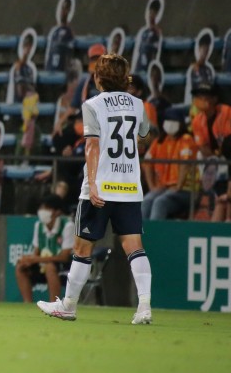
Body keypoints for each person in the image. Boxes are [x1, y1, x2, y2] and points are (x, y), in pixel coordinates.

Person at [37, 54, 154, 325]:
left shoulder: (92, 104)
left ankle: (68, 306)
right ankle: (145, 307)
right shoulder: (138, 104)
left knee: (82, 247)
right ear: (125, 78)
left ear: (98, 78)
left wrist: (92, 184)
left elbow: (91, 146)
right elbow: (145, 136)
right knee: (134, 246)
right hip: (128, 187)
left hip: (100, 188)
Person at [190, 84, 231, 222]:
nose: (200, 99)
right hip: (213, 157)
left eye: (204, 96)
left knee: (224, 168)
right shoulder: (197, 120)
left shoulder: (226, 111)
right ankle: (215, 188)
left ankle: (222, 193)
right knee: (200, 156)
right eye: (198, 96)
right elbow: (202, 147)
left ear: (214, 99)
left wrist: (218, 156)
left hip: (230, 155)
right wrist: (214, 156)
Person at [14, 194, 74, 303]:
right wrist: (29, 260)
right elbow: (37, 251)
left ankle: (53, 303)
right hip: (43, 264)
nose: (42, 211)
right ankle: (27, 303)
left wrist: (36, 259)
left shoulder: (67, 226)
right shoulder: (39, 226)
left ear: (57, 212)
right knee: (21, 266)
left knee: (50, 267)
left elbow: (64, 257)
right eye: (41, 208)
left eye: (46, 208)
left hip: (64, 267)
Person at [142, 106, 198, 220]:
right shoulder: (160, 141)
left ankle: (155, 231)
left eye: (174, 121)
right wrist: (152, 186)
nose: (170, 123)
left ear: (181, 123)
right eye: (168, 120)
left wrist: (178, 186)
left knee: (160, 202)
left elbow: (185, 164)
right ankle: (139, 231)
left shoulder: (186, 139)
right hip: (164, 188)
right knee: (146, 200)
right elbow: (147, 163)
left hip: (186, 190)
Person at [131, 0, 163, 75]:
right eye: (150, 13)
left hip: (147, 68)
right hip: (138, 66)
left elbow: (155, 53)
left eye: (153, 13)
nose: (150, 15)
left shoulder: (157, 33)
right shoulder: (143, 32)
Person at [44, 0, 75, 72]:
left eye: (66, 9)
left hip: (61, 68)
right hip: (50, 68)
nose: (63, 11)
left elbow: (69, 53)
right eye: (62, 8)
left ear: (69, 11)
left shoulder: (69, 32)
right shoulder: (53, 31)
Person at [185, 31, 216, 103]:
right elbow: (190, 90)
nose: (205, 52)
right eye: (203, 48)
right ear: (199, 48)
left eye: (207, 49)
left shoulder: (210, 69)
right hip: (195, 103)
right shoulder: (193, 68)